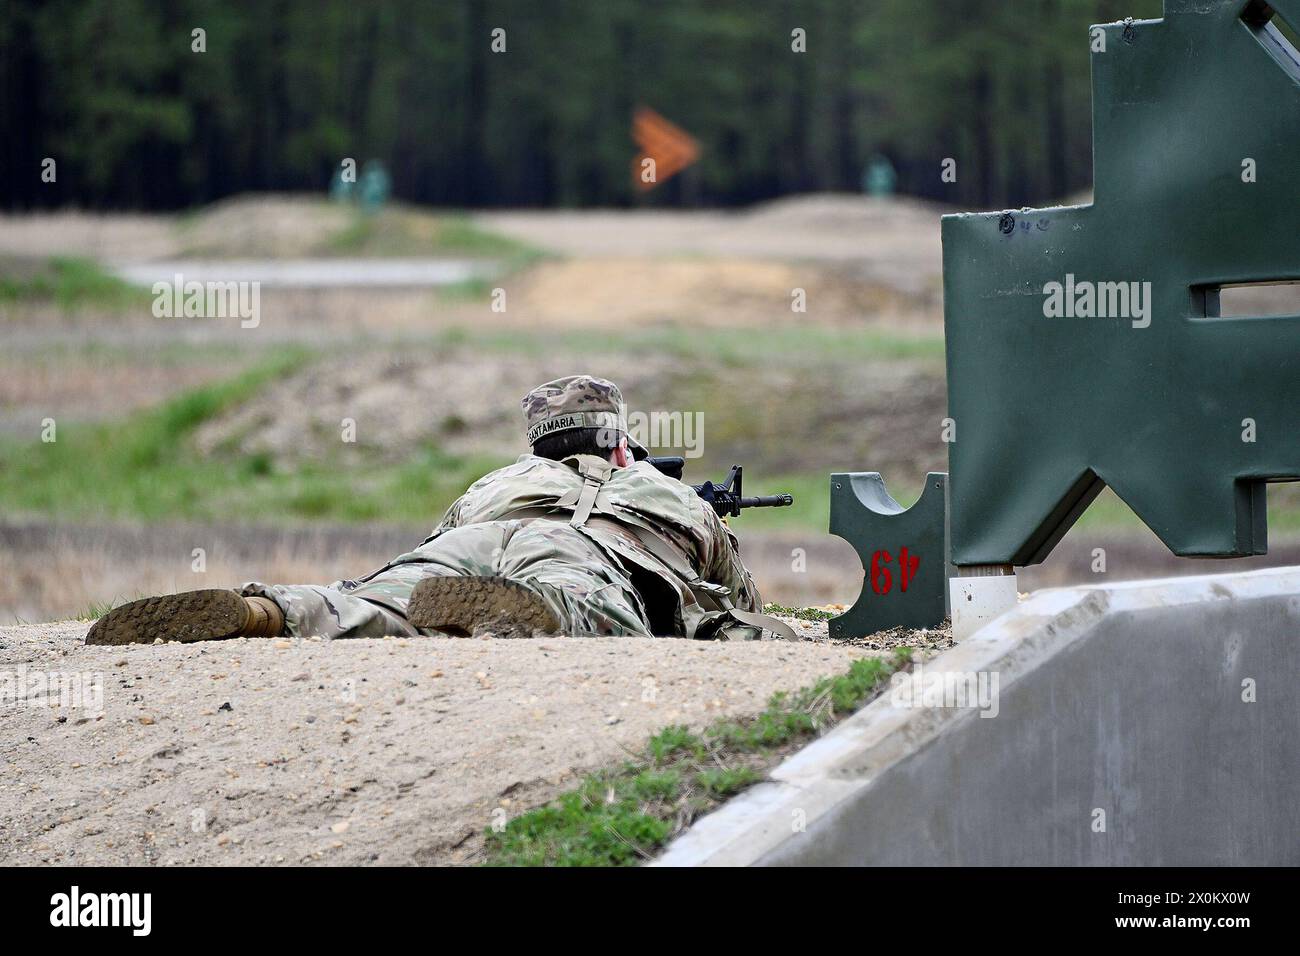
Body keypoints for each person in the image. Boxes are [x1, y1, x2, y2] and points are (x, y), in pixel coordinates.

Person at [87, 375, 793, 645]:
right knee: (595, 611)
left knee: (382, 598)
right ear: (618, 448)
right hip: (583, 553)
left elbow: (433, 556)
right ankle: (538, 610)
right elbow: (742, 604)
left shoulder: (496, 480)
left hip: (475, 539)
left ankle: (271, 610)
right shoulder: (664, 495)